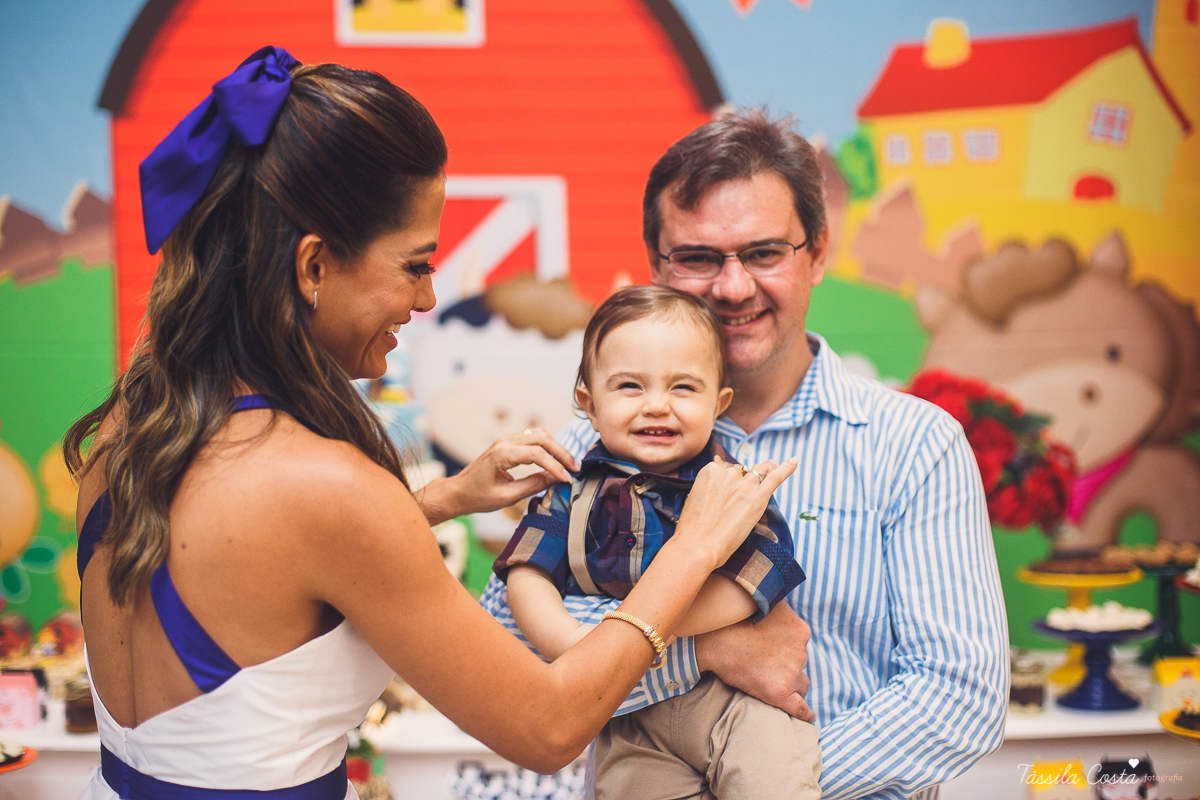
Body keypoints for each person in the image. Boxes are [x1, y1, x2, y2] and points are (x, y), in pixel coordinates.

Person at [63, 48, 796, 800]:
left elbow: (256, 575)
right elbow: (547, 727)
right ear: (313, 267)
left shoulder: (136, 422)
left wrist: (444, 499)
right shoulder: (327, 487)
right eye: (415, 264)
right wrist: (694, 549)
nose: (426, 299)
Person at [481, 108, 1009, 800]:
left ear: (817, 253)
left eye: (763, 253)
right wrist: (704, 649)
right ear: (658, 268)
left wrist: (758, 782)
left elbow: (957, 696)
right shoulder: (599, 446)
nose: (732, 288)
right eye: (699, 258)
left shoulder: (913, 445)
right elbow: (504, 646)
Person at [493, 285, 819, 800]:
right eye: (629, 386)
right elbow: (528, 572)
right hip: (628, 713)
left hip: (738, 700)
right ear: (589, 404)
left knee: (773, 783)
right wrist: (574, 643)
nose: (657, 406)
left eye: (684, 388)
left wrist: (642, 629)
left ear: (719, 403)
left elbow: (758, 575)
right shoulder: (570, 492)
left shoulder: (732, 487)